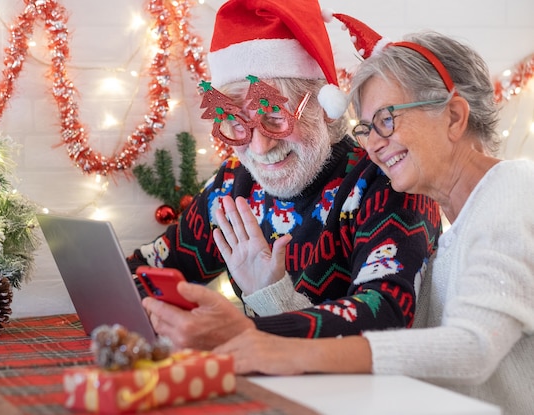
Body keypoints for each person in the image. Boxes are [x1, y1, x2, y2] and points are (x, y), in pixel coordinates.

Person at [213, 26, 534, 415]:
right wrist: (271, 295)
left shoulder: (515, 190)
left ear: (453, 116)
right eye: (365, 129)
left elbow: (472, 349)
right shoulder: (456, 233)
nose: (373, 144)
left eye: (386, 120)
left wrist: (274, 343)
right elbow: (410, 360)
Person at [127, 0, 442, 350]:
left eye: (276, 118)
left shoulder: (388, 182)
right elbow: (144, 270)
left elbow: (385, 321)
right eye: (237, 124)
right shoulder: (232, 186)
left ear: (324, 109)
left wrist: (265, 304)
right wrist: (169, 318)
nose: (259, 148)